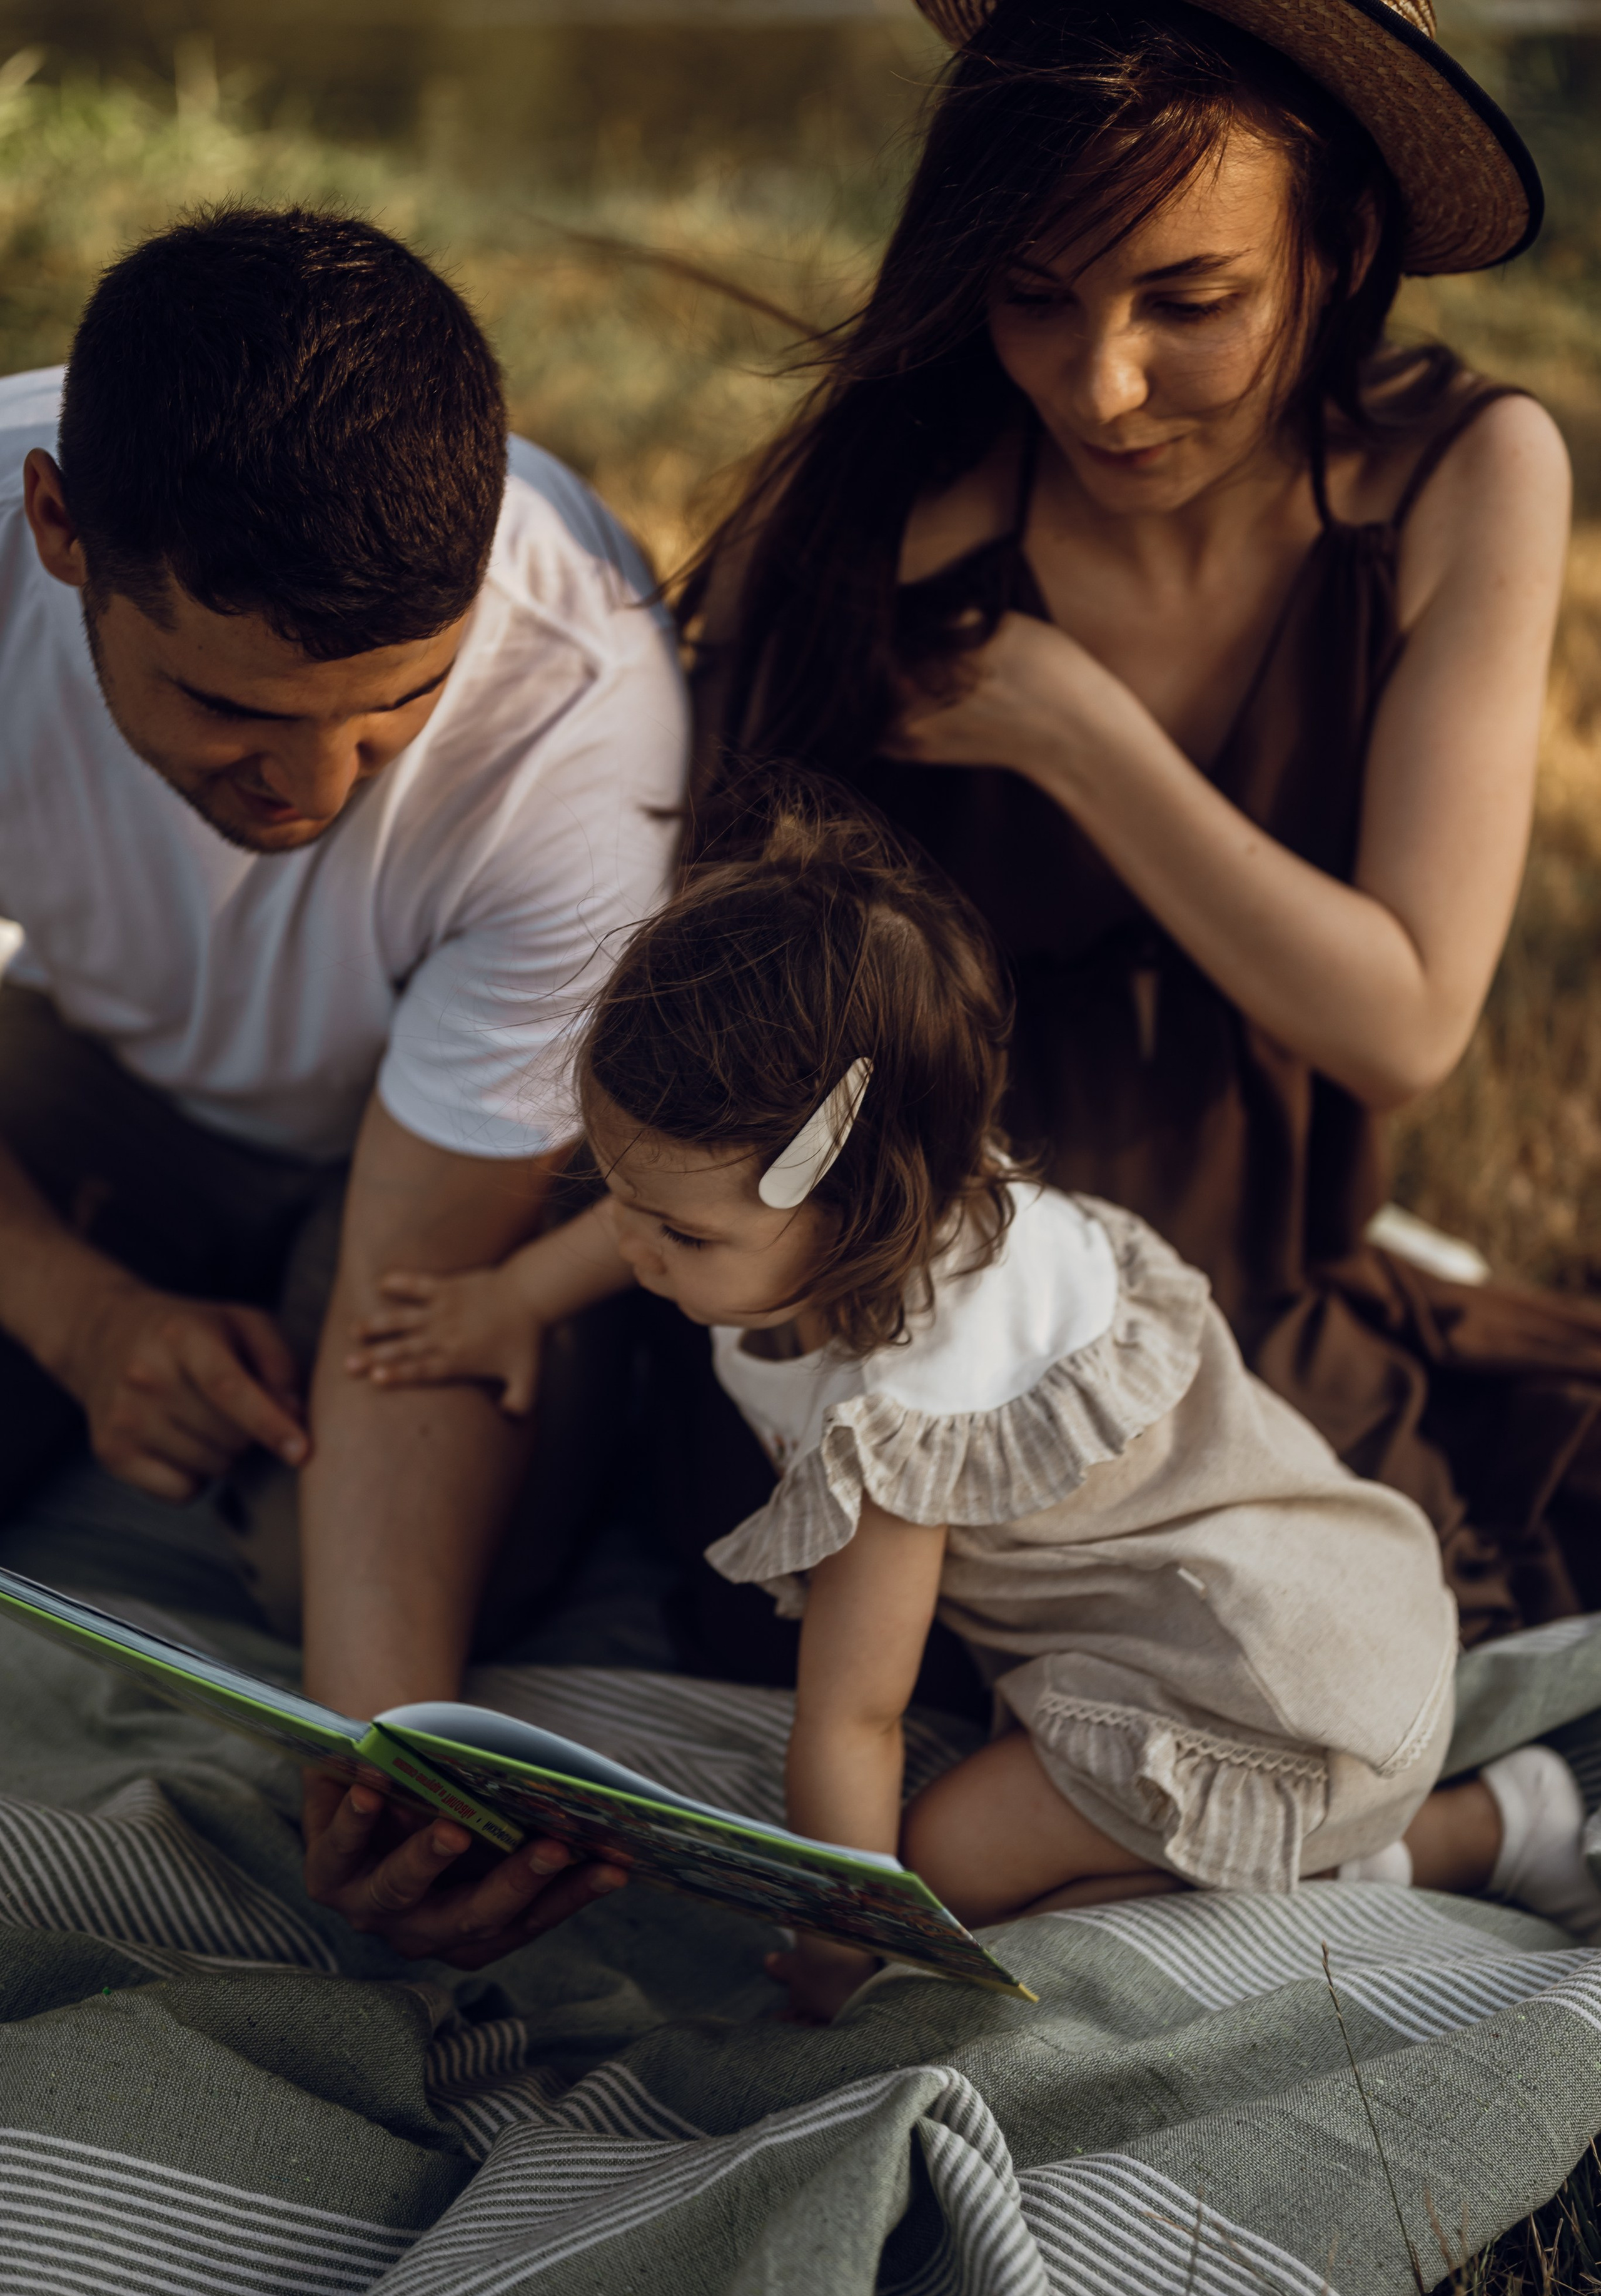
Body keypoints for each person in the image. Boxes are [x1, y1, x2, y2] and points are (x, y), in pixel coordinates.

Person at [675, 0, 1601, 1672]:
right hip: (909, 1317)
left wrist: (1073, 730)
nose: (1100, 388)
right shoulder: (894, 518)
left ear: (1343, 244)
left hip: (1253, 1309)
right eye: (1034, 298)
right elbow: (712, 970)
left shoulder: (1462, 473)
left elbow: (1403, 1022)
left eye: (1192, 301)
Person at [348, 797, 1601, 2021]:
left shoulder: (901, 1419)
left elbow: (854, 1710)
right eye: (613, 1189)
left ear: (855, 1209)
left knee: (941, 1868)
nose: (628, 1241)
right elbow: (643, 1221)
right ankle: (1452, 1824)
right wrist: (512, 1298)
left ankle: (1423, 1849)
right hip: (1295, 1588)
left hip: (1254, 1699)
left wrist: (840, 1935)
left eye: (676, 1229)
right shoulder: (878, 1182)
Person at [0, 204, 685, 1956]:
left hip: (427, 1177)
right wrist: (80, 1314)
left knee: (359, 1594)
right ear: (62, 529)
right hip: (86, 1059)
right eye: (233, 710)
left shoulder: (586, 710)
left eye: (395, 709)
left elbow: (421, 1288)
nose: (315, 784)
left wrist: (384, 1761)